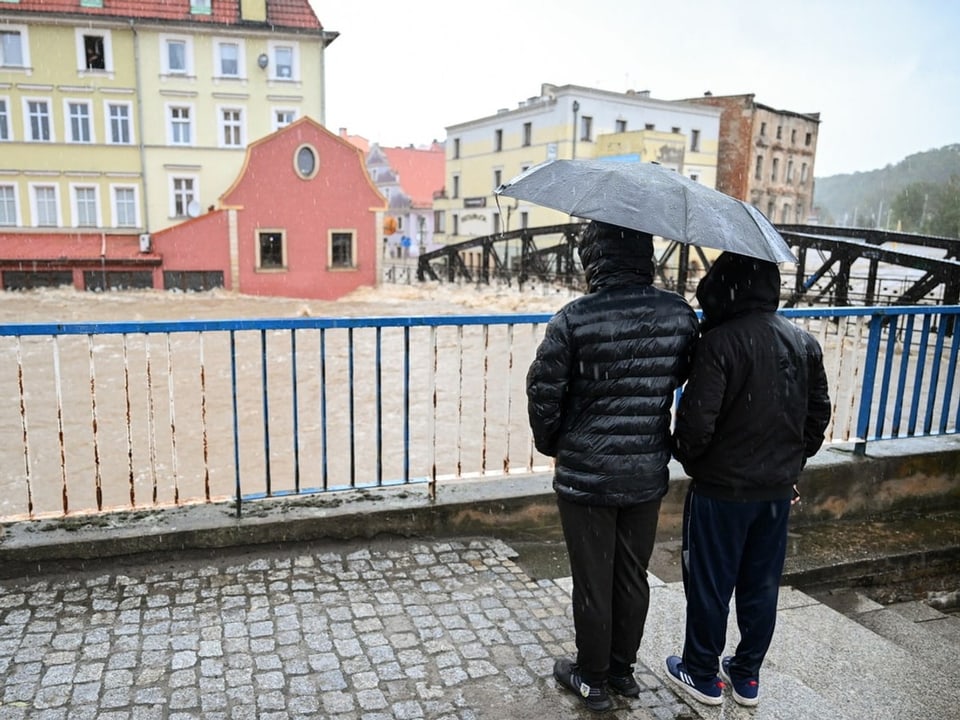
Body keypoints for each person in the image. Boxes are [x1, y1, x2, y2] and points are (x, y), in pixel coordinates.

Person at [526, 220, 699, 712]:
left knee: (592, 577)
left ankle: (591, 678)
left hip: (586, 474)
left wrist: (556, 442)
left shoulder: (573, 320)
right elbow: (688, 376)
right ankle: (623, 671)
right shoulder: (679, 316)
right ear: (645, 256)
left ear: (594, 258)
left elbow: (543, 393)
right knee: (631, 574)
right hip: (645, 471)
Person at [664, 252, 832, 707]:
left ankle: (700, 672)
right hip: (776, 492)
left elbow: (696, 426)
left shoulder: (718, 343)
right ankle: (746, 676)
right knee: (761, 586)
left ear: (724, 287)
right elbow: (818, 417)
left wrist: (691, 460)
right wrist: (789, 467)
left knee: (710, 583)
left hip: (722, 492)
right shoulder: (803, 343)